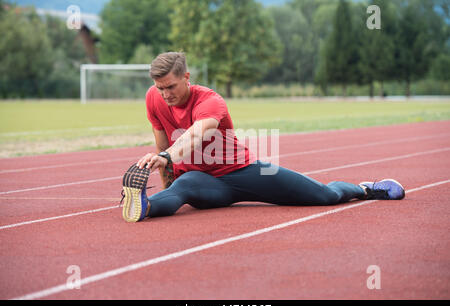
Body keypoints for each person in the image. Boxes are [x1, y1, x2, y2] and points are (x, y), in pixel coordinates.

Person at [121, 52, 405, 222]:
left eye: (170, 86)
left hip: (244, 171)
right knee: (179, 190)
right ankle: (144, 206)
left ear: (187, 77)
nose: (165, 94)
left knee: (325, 195)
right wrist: (163, 169)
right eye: (160, 88)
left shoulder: (210, 101)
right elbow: (162, 146)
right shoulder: (153, 99)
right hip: (204, 182)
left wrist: (166, 155)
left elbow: (193, 137)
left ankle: (366, 189)